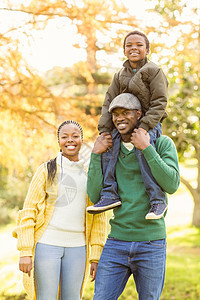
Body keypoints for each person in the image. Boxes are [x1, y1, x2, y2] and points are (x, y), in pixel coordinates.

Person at [87, 96, 180, 299]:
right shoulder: (110, 149)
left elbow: (172, 184)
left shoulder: (162, 143)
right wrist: (95, 154)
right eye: (115, 114)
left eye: (126, 113)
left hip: (151, 243)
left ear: (139, 115)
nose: (119, 118)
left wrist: (147, 148)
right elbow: (95, 195)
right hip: (116, 242)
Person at [13, 120, 106, 300]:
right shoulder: (46, 170)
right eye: (65, 137)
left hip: (78, 247)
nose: (70, 140)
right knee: (46, 297)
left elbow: (99, 216)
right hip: (47, 245)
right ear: (59, 141)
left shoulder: (91, 172)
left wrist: (95, 255)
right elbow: (28, 211)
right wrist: (25, 251)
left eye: (75, 136)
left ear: (82, 139)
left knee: (72, 297)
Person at [87, 30, 169, 219]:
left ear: (147, 49)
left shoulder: (154, 71)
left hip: (149, 123)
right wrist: (105, 130)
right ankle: (109, 194)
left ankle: (157, 200)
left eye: (139, 45)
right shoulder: (119, 75)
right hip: (124, 122)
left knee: (143, 151)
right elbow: (109, 101)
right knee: (109, 145)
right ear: (124, 50)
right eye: (129, 45)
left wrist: (145, 127)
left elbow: (160, 102)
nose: (134, 48)